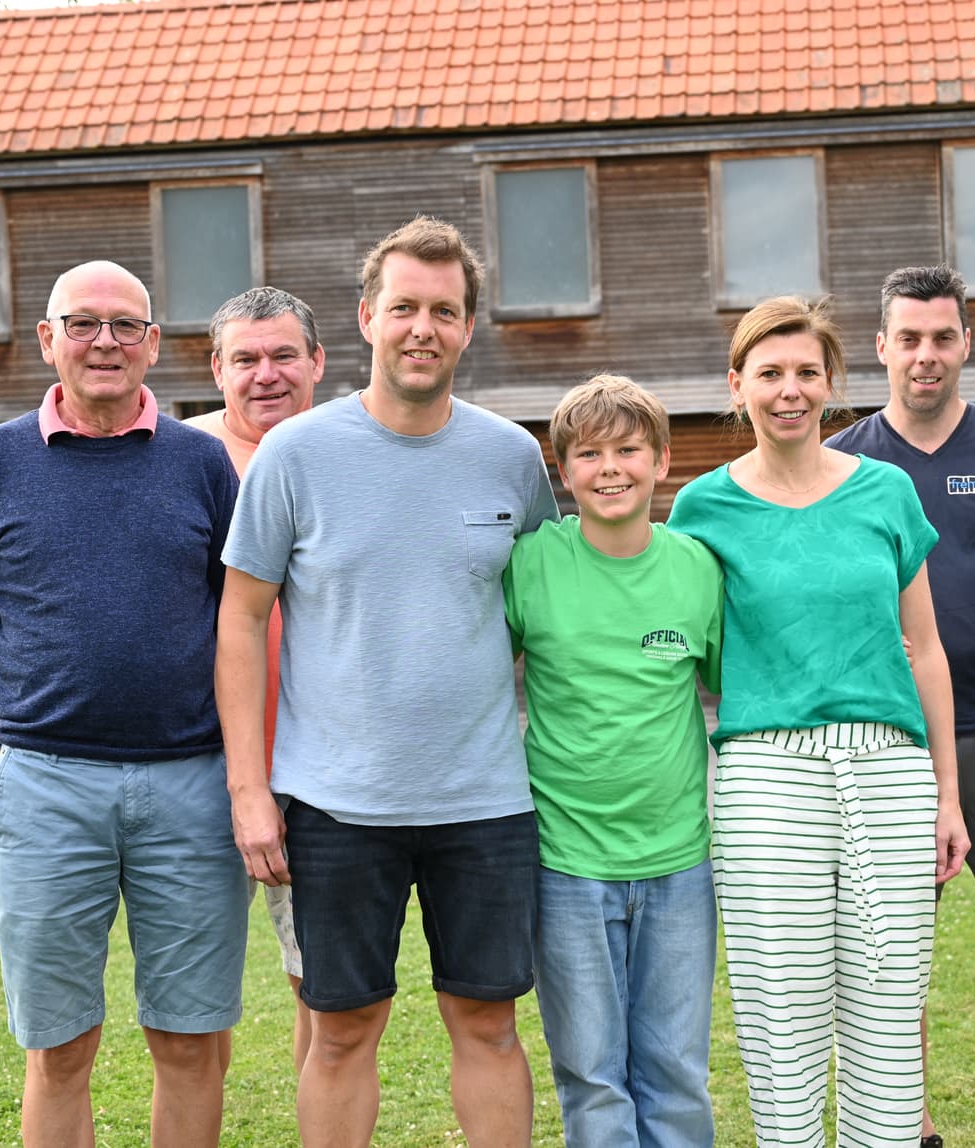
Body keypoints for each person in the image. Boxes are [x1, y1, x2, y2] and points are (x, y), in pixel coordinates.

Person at [215, 217, 558, 1148]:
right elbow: (241, 621)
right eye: (404, 307)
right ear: (367, 318)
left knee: (488, 1024)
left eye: (443, 311)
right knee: (340, 1031)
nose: (422, 328)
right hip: (334, 802)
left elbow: (546, 613)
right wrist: (250, 791)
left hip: (484, 800)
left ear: (468, 327)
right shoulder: (294, 456)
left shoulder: (512, 458)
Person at [0, 260, 246, 1147]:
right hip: (47, 788)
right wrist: (19, 730)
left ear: (152, 345)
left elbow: (238, 614)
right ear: (49, 340)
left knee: (189, 1041)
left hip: (190, 788)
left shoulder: (201, 463)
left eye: (124, 326)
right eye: (82, 323)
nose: (103, 341)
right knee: (59, 1046)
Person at [668, 296, 970, 1148]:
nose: (790, 390)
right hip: (768, 775)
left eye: (807, 372)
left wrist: (947, 796)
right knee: (781, 1015)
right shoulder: (702, 508)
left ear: (832, 382)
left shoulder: (886, 491)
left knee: (889, 1007)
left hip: (889, 771)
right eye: (770, 374)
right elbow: (688, 656)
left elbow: (925, 650)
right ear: (737, 386)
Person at [825, 265, 975, 1148]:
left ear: (967, 343)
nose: (925, 355)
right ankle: (912, 1127)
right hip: (886, 743)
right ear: (881, 348)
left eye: (941, 337)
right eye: (909, 339)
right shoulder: (841, 460)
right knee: (890, 962)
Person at [503, 375, 723, 1148]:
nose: (610, 469)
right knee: (591, 1074)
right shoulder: (531, 564)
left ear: (661, 460)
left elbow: (748, 686)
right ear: (563, 471)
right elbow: (469, 670)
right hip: (566, 863)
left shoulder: (697, 568)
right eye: (589, 454)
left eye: (628, 450)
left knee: (676, 1070)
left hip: (679, 862)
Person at [185, 285, 324, 1075]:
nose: (265, 374)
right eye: (245, 359)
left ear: (318, 362)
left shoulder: (348, 450)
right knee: (192, 1001)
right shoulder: (179, 458)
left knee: (323, 989)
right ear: (217, 369)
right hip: (197, 767)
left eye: (283, 355)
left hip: (318, 770)